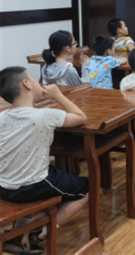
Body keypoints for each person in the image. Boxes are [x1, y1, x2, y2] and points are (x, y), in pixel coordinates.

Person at [0, 67, 89, 254]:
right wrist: (58, 96)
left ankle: (18, 235)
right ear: (26, 84)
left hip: (4, 187)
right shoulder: (45, 115)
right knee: (86, 189)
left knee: (34, 185)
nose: (38, 82)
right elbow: (81, 117)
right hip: (34, 185)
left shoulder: (2, 117)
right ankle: (38, 234)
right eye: (33, 78)